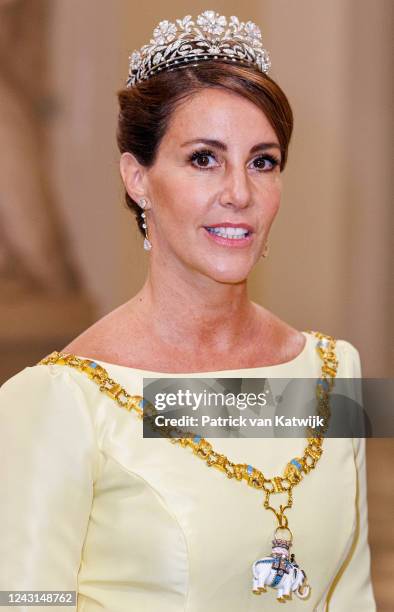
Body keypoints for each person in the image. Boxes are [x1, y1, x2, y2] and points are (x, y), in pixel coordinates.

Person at [0, 10, 376, 612]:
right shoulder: (56, 399)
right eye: (204, 158)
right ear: (137, 179)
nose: (239, 193)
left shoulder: (334, 374)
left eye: (263, 161)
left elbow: (349, 595)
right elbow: (25, 602)